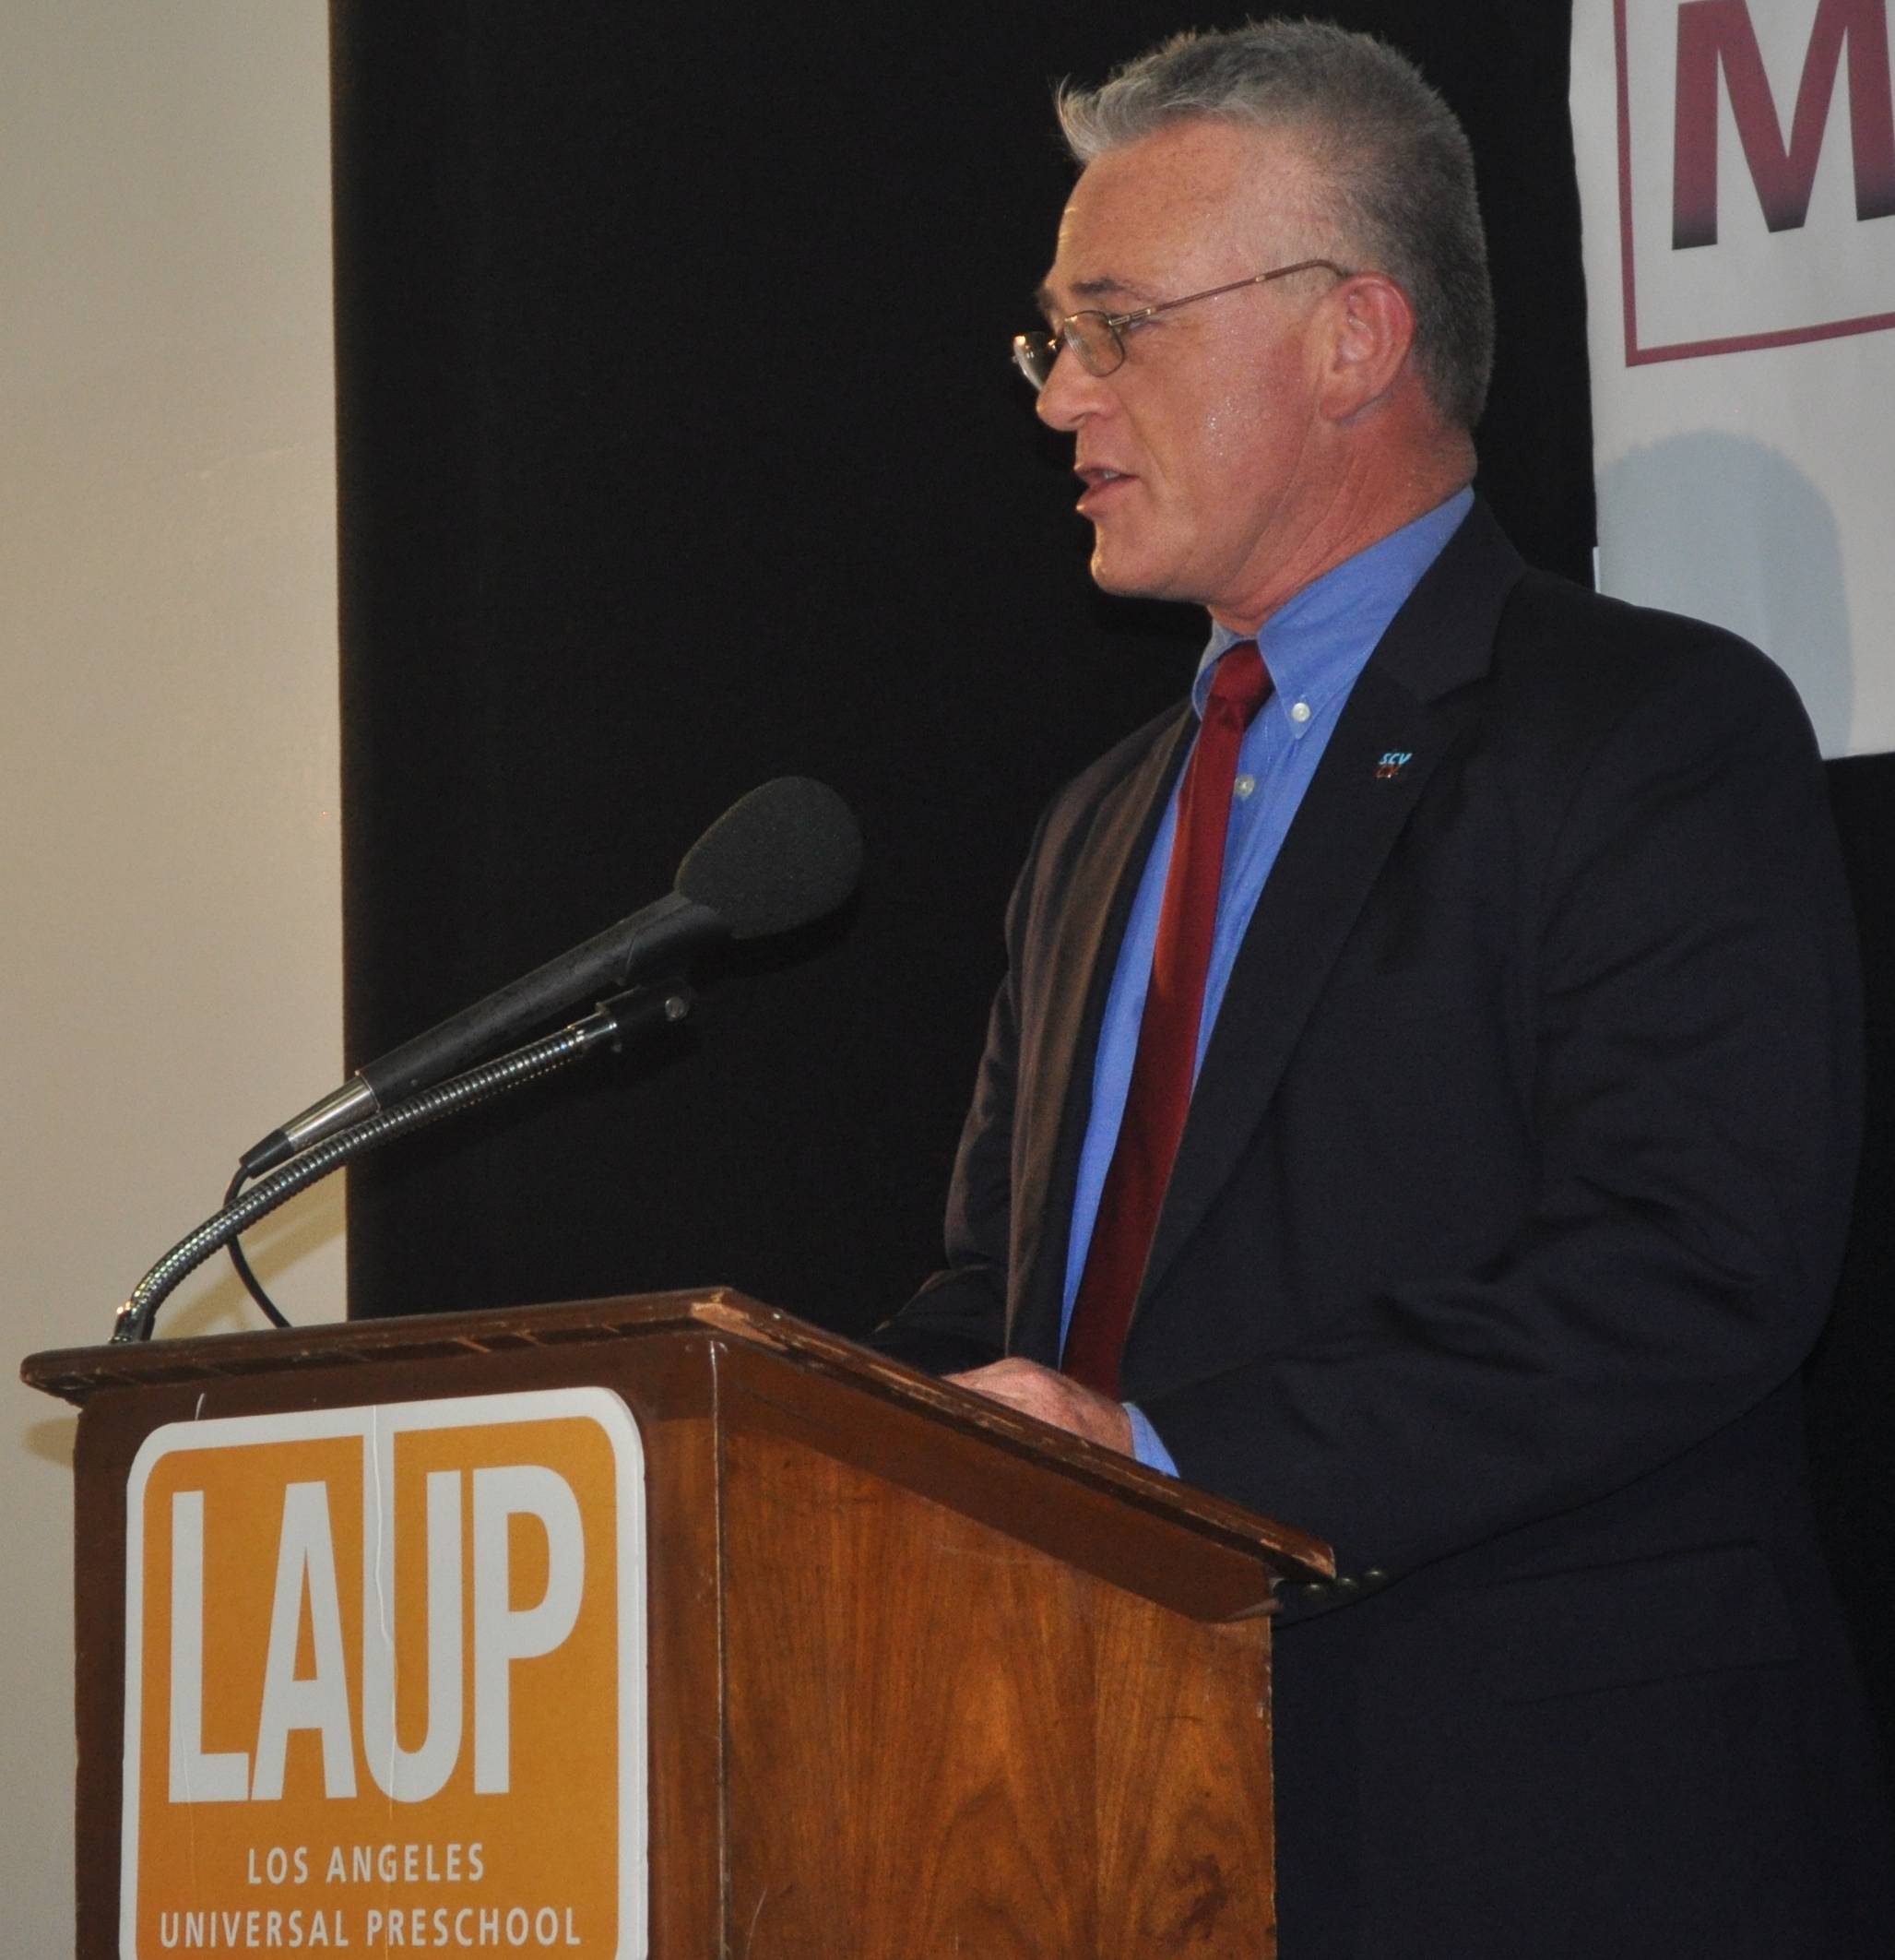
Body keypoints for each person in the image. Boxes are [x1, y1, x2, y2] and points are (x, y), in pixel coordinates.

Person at [865, 20, 1893, 1957]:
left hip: (1536, 1836)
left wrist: (1163, 1466)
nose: (1061, 395)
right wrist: (807, 1439)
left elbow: (1692, 1261)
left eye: (1115, 327)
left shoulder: (1644, 732)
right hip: (1112, 1821)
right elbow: (995, 1302)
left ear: (1351, 337)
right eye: (1054, 340)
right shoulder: (1095, 825)